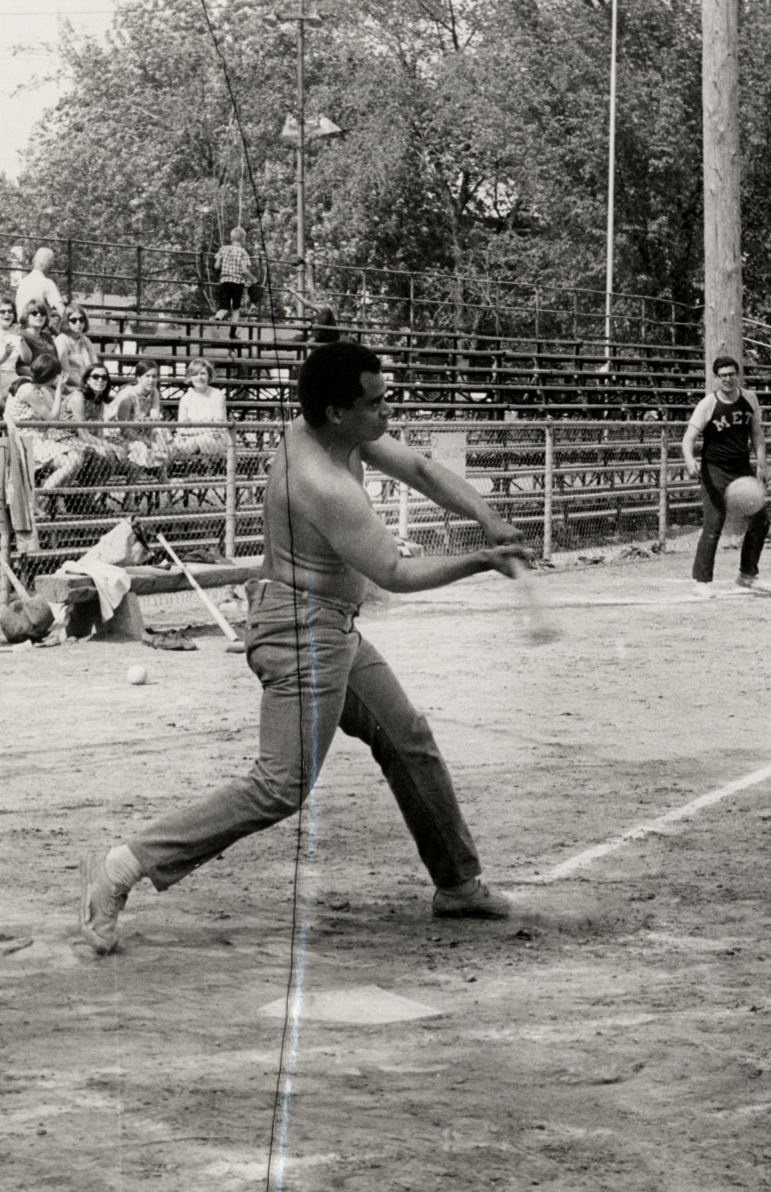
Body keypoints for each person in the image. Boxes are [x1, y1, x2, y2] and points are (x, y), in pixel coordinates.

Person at [80, 340, 532, 955]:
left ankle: (458, 884)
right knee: (280, 785)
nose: (387, 412)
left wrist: (486, 516)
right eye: (375, 403)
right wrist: (483, 559)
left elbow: (423, 471)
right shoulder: (319, 481)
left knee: (407, 737)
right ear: (337, 412)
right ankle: (120, 867)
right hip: (299, 633)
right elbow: (393, 571)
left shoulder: (338, 431)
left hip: (329, 626)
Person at [682, 353, 770, 597]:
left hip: (741, 469)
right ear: (715, 378)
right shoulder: (708, 404)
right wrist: (690, 461)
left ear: (738, 375)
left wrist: (762, 465)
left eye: (731, 374)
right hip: (715, 469)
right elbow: (688, 438)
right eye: (723, 376)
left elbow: (757, 434)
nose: (727, 379)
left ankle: (747, 575)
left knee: (760, 522)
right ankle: (702, 581)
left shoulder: (750, 398)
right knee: (714, 524)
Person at [3, 353, 90, 514]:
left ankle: (48, 498)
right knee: (72, 462)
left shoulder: (40, 389)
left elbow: (56, 413)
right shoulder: (28, 389)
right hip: (25, 440)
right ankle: (37, 500)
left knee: (76, 460)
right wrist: (59, 388)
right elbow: (53, 419)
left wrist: (56, 390)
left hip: (40, 439)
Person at [108, 359, 170, 474]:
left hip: (139, 429)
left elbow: (155, 419)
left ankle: (162, 477)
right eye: (147, 376)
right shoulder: (127, 396)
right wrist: (147, 441)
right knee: (140, 447)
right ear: (138, 378)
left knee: (161, 432)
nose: (151, 380)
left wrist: (149, 431)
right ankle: (132, 483)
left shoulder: (153, 391)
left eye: (154, 376)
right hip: (117, 434)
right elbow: (124, 429)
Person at [173, 358, 229, 459]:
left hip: (214, 441)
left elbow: (218, 427)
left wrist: (192, 430)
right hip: (192, 439)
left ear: (209, 375)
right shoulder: (185, 398)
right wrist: (206, 429)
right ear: (190, 377)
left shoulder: (217, 395)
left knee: (203, 441)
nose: (199, 377)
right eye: (195, 374)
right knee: (179, 444)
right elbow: (181, 429)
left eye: (203, 373)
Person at [212, 226, 254, 339]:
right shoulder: (243, 252)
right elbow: (244, 270)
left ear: (231, 238)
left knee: (224, 307)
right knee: (236, 309)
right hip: (237, 283)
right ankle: (232, 333)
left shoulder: (223, 249)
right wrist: (253, 279)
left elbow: (216, 266)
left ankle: (217, 318)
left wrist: (223, 264)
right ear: (243, 239)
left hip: (224, 281)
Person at [54, 304, 98, 391]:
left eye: (81, 319)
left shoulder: (86, 340)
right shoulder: (62, 340)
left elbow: (95, 364)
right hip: (69, 386)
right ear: (67, 322)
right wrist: (86, 385)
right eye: (74, 320)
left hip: (87, 384)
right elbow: (65, 372)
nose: (78, 323)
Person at [13, 247, 65, 320]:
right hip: (38, 324)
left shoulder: (22, 282)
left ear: (33, 262)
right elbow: (62, 311)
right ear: (51, 267)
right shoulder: (47, 283)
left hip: (22, 324)